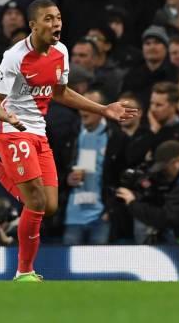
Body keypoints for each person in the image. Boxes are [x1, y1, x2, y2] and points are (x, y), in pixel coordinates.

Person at [0, 0, 137, 282]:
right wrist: (8, 118)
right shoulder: (14, 56)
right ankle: (24, 272)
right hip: (10, 130)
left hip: (37, 130)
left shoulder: (60, 52)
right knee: (33, 201)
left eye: (58, 17)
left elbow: (60, 93)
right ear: (33, 25)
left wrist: (103, 109)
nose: (56, 23)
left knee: (48, 206)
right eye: (48, 19)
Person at [63, 90, 127, 245]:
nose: (84, 110)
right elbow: (57, 167)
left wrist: (111, 210)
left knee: (99, 266)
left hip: (101, 216)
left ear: (102, 109)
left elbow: (121, 177)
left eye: (89, 106)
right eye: (82, 105)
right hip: (74, 215)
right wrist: (67, 179)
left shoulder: (116, 137)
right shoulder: (71, 134)